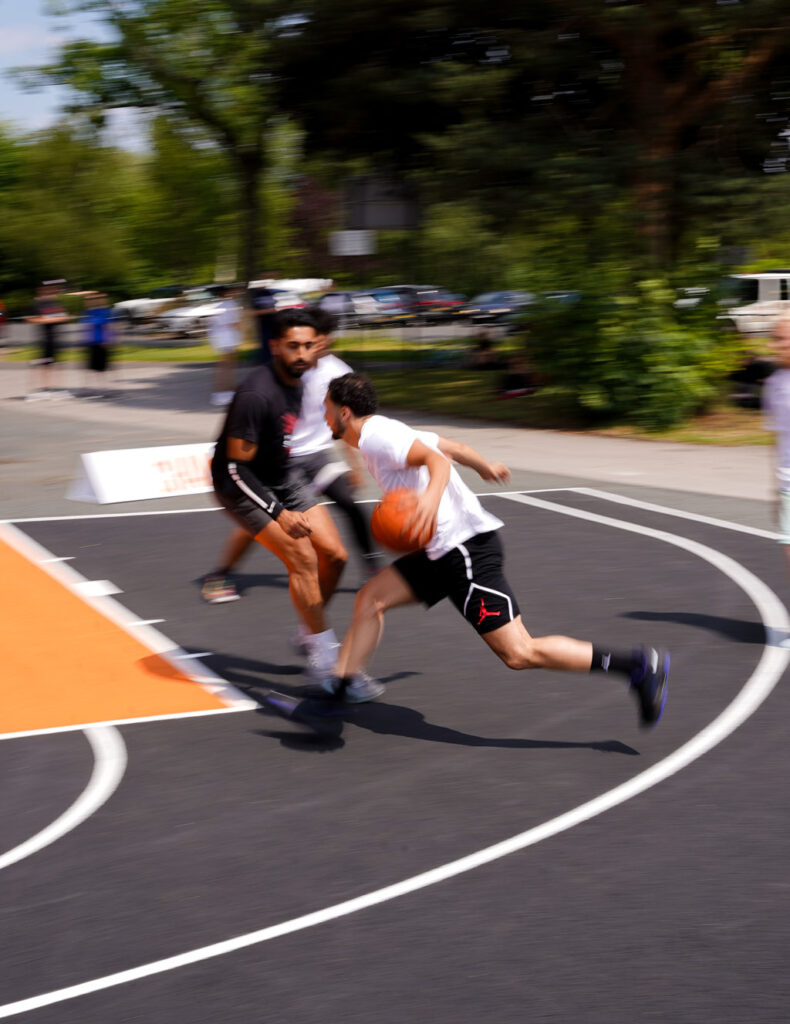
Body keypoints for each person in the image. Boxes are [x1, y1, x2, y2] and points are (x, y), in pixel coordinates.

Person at [320, 370, 670, 719]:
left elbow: (438, 460)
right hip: (440, 549)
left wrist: (429, 498)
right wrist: (483, 465)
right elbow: (453, 448)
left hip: (464, 550)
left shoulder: (377, 436)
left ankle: (636, 666)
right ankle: (341, 687)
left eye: (327, 409)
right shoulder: (388, 430)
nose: (324, 417)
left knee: (519, 653)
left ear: (344, 413)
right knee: (370, 599)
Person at [202, 307, 382, 606]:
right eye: (305, 342)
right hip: (282, 457)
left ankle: (371, 566)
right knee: (262, 521)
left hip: (316, 455)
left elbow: (343, 420)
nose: (312, 348)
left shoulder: (338, 372)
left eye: (317, 341)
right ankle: (221, 573)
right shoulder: (284, 371)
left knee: (349, 503)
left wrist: (353, 463)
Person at [207, 307, 348, 682]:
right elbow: (237, 468)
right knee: (301, 557)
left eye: (307, 345)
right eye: (292, 346)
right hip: (237, 484)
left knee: (334, 556)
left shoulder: (299, 381)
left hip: (280, 474)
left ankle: (308, 633)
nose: (301, 354)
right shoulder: (257, 393)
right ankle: (329, 661)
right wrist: (280, 513)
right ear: (274, 347)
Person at [762, 315, 790, 647]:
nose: (779, 345)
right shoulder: (773, 385)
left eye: (784, 338)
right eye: (776, 339)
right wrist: (774, 488)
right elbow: (776, 440)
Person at [26, 280, 70, 399]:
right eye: (48, 289)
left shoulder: (56, 303)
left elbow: (65, 316)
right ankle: (46, 387)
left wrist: (59, 318)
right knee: (46, 363)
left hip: (57, 337)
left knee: (58, 362)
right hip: (44, 338)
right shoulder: (36, 304)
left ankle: (59, 387)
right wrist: (47, 320)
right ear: (41, 291)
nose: (51, 291)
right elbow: (30, 319)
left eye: (53, 289)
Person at [208, 284, 243, 406]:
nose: (235, 293)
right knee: (227, 366)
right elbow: (236, 322)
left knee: (224, 366)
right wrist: (239, 337)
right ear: (227, 293)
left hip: (220, 337)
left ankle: (226, 391)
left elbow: (212, 326)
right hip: (228, 337)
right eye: (233, 291)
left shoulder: (217, 306)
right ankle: (223, 393)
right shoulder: (230, 305)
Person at [82, 291, 115, 396]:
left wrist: (106, 340)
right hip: (91, 342)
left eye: (97, 300)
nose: (95, 301)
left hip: (101, 342)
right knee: (90, 366)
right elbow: (86, 324)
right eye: (92, 300)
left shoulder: (104, 312)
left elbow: (107, 327)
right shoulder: (89, 313)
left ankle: (103, 388)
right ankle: (87, 388)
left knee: (101, 367)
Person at [248, 280, 277, 365]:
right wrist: (269, 311)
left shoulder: (269, 293)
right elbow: (253, 312)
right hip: (263, 323)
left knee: (272, 342)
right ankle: (265, 361)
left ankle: (270, 361)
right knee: (265, 342)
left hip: (272, 322)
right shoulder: (256, 295)